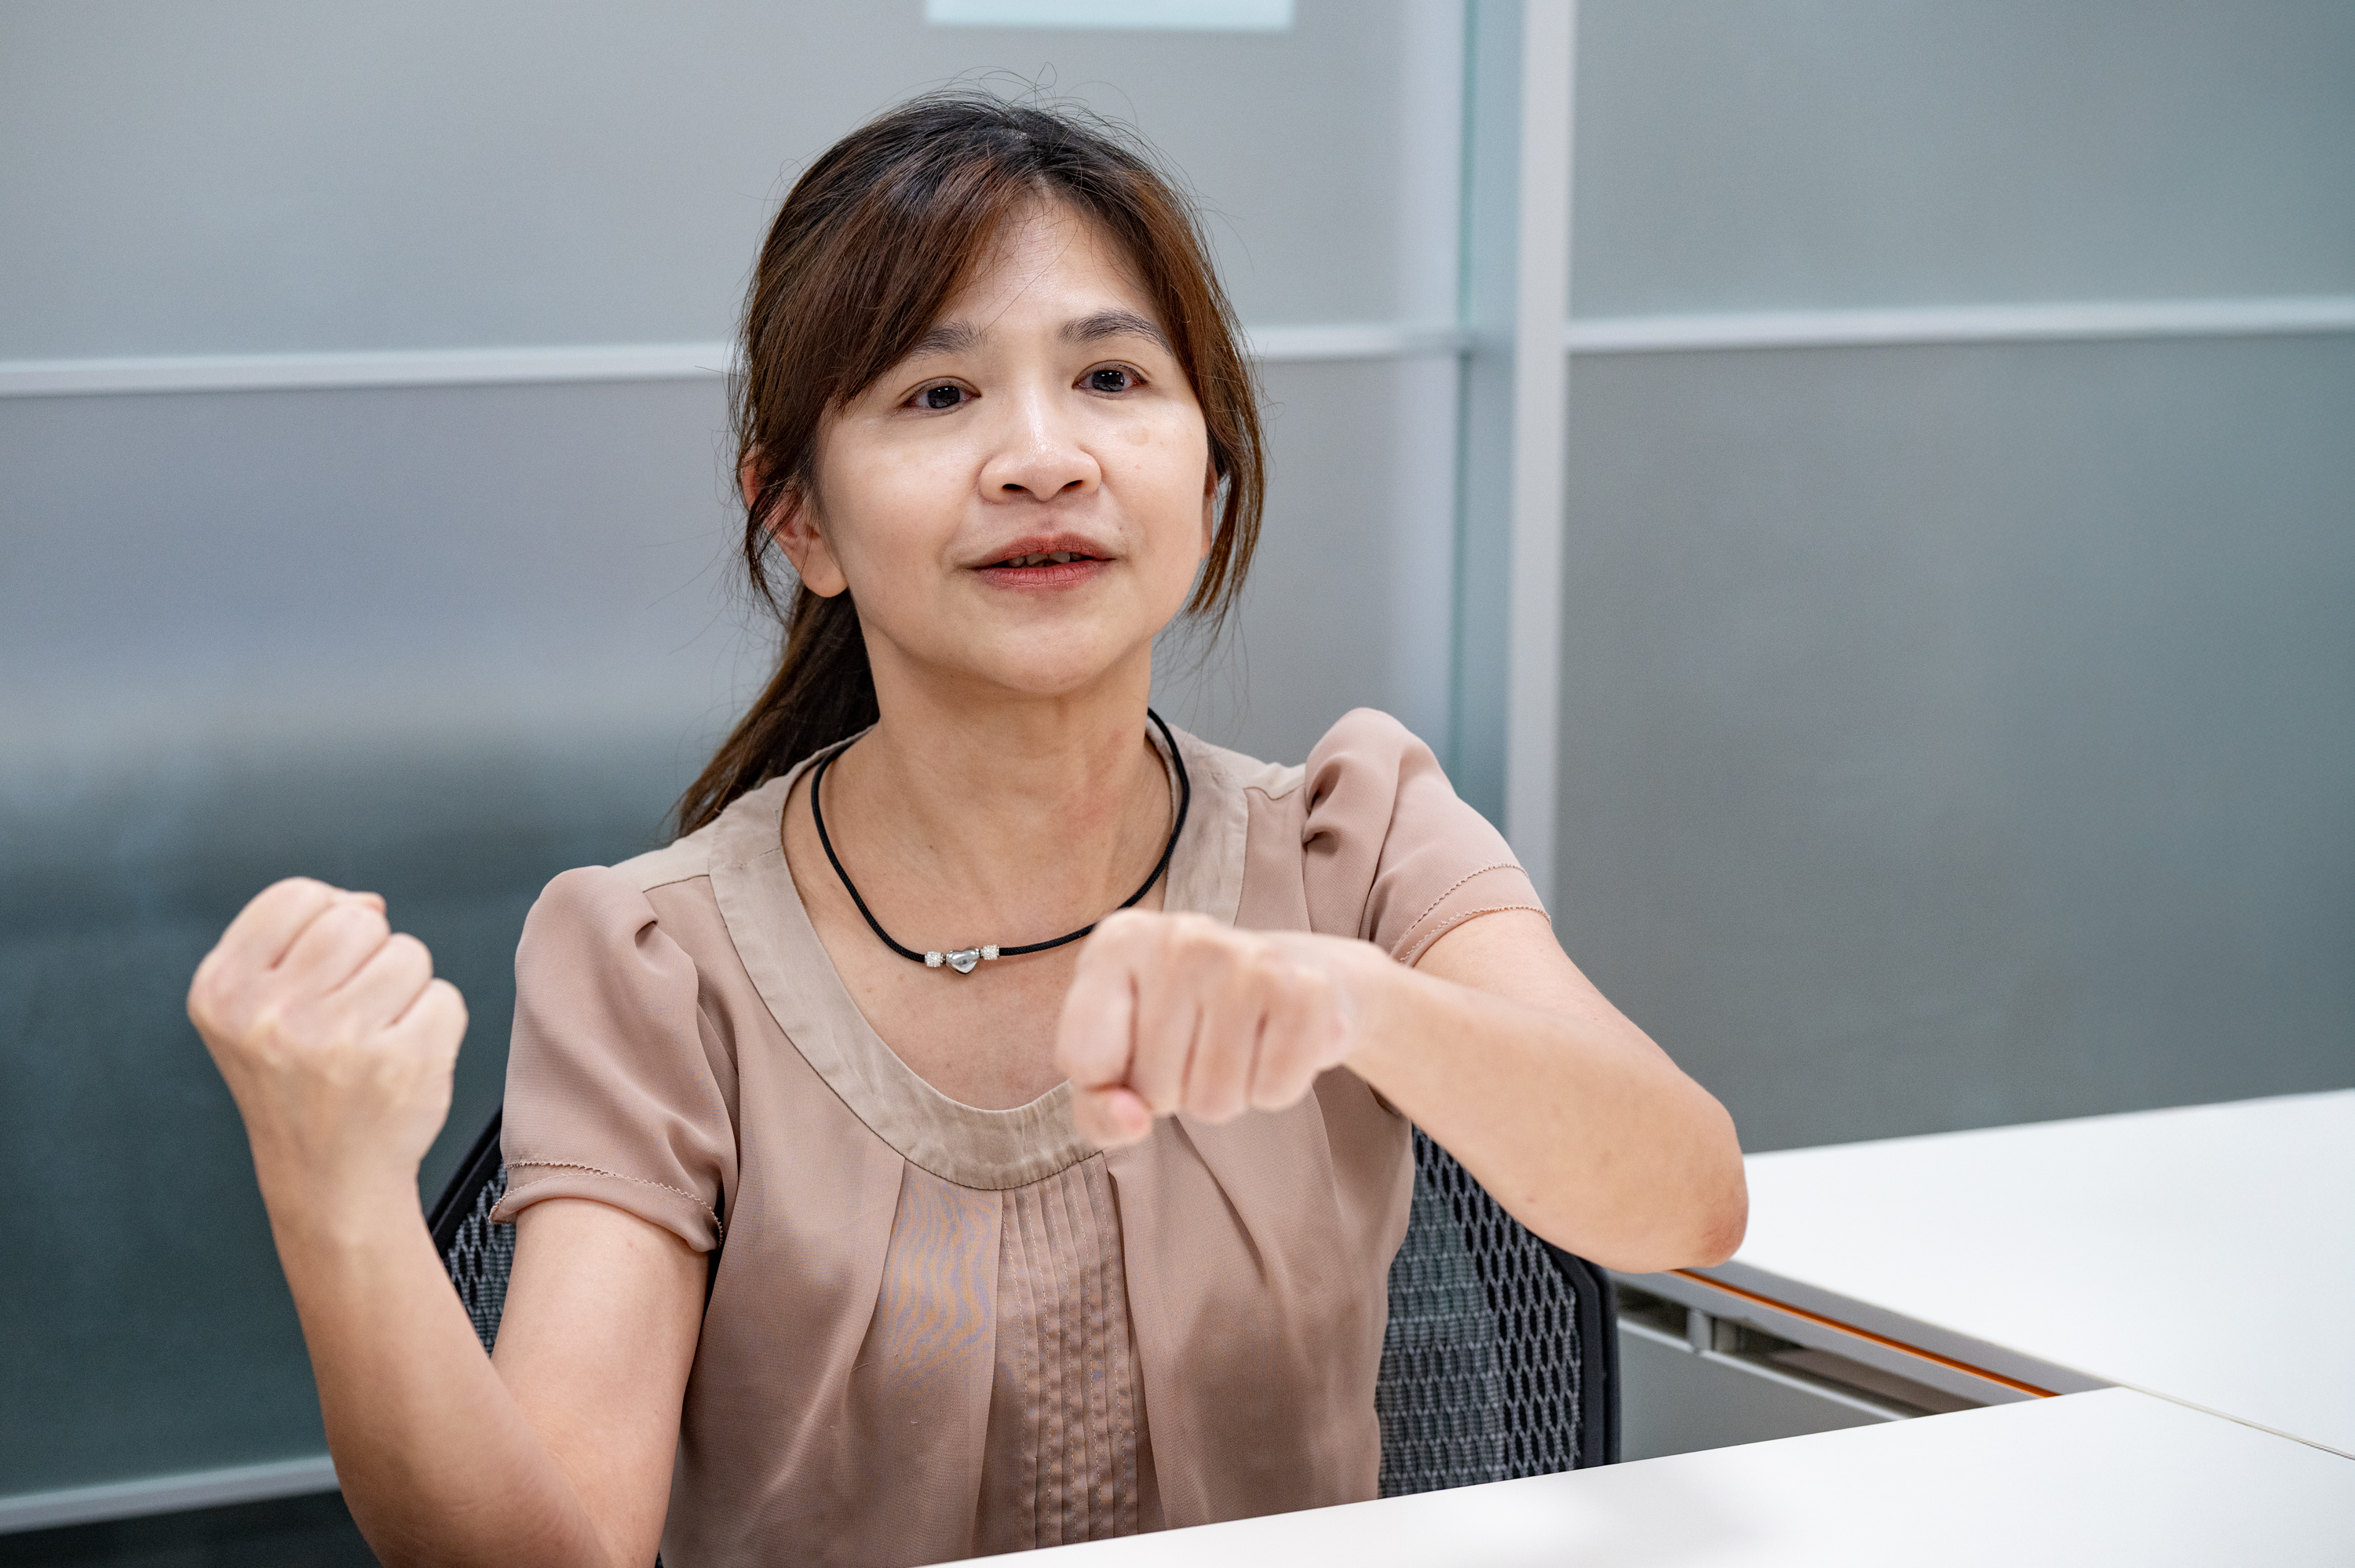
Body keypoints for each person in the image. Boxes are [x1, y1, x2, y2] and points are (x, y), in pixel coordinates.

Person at [187, 93, 1745, 1568]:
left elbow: (1684, 1200)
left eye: (1114, 379)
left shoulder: (1354, 833)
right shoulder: (656, 958)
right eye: (938, 394)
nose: (1041, 455)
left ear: (1211, 477)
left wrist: (1362, 1002)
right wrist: (337, 1203)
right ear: (799, 518)